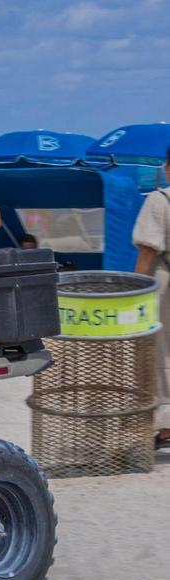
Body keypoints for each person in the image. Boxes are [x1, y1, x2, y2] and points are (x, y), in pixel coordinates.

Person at [131, 146, 170, 448]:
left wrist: (137, 291)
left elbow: (147, 248)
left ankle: (166, 426)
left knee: (159, 353)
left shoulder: (160, 200)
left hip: (163, 283)